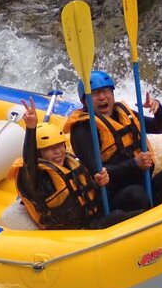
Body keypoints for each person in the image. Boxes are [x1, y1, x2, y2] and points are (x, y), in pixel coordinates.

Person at [8, 97, 141, 230]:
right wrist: (31, 128)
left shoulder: (70, 163)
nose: (58, 152)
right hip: (71, 232)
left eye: (60, 146)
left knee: (134, 195)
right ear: (38, 154)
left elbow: (88, 196)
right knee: (117, 216)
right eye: (50, 149)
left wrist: (98, 183)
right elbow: (28, 162)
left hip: (91, 219)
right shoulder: (36, 177)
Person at [64, 70, 162, 210]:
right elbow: (96, 173)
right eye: (94, 93)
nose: (102, 97)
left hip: (143, 182)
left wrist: (158, 109)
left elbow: (161, 127)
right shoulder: (83, 130)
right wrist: (134, 163)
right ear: (83, 101)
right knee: (136, 194)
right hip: (113, 198)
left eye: (106, 91)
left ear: (112, 93)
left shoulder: (123, 113)